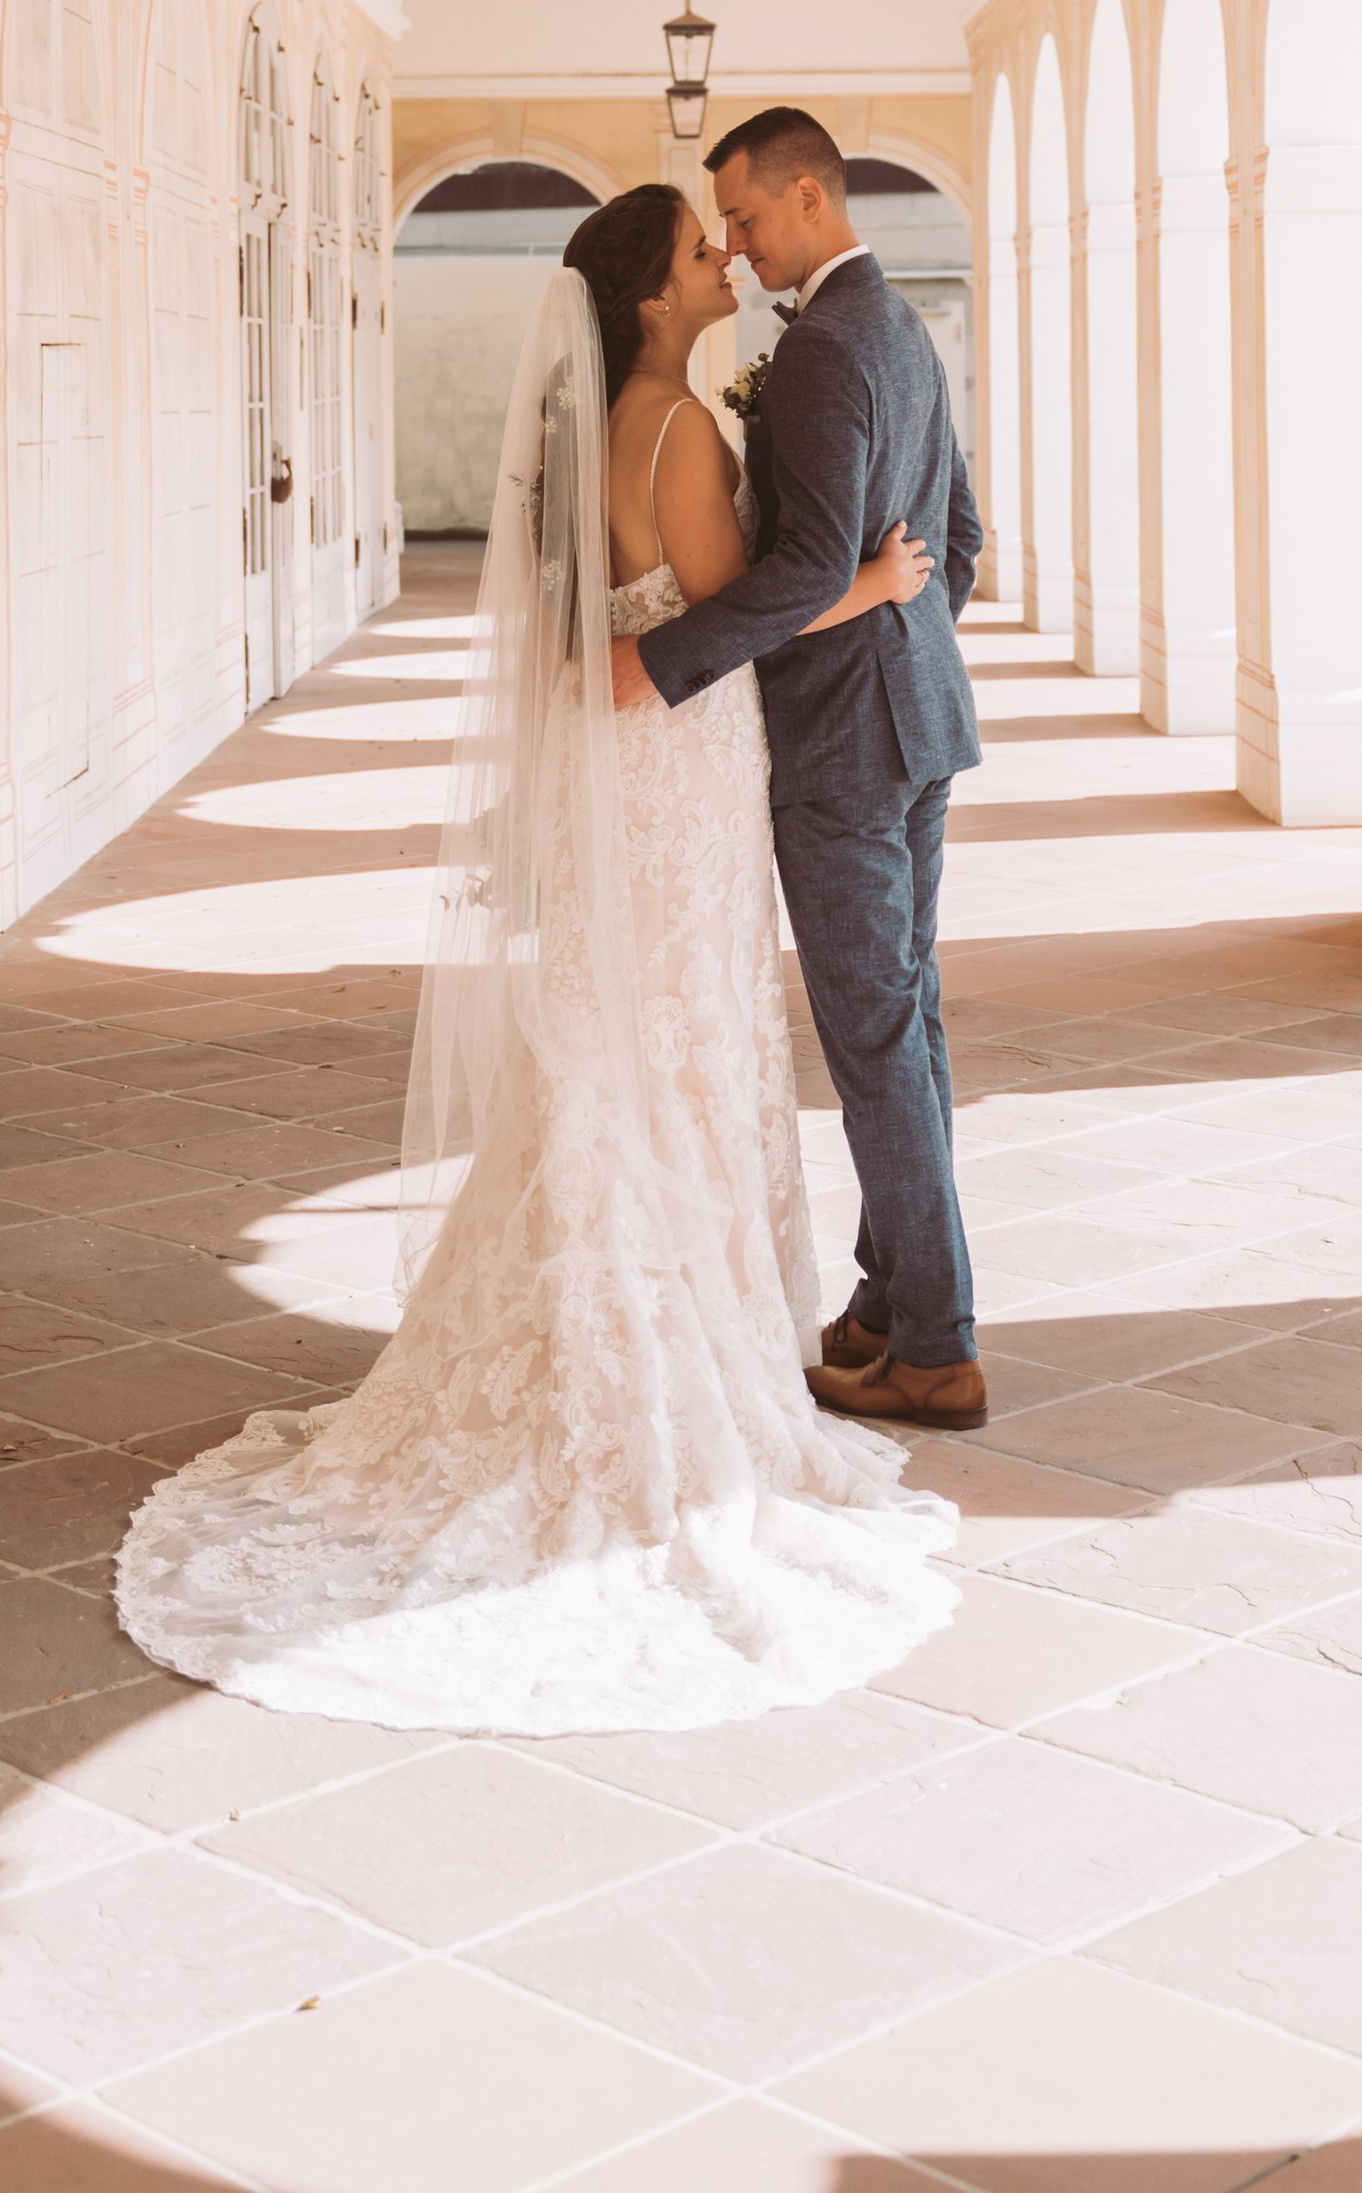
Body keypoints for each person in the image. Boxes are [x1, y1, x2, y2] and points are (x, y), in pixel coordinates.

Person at [113, 185, 957, 1733]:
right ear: (648, 297)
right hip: (683, 775)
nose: (726, 260)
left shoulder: (607, 429)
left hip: (625, 779)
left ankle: (589, 1290)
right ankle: (658, 1341)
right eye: (702, 253)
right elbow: (731, 622)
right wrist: (873, 585)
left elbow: (628, 629)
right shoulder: (679, 430)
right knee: (684, 1024)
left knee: (617, 1024)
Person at [612, 108, 988, 1438]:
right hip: (921, 715)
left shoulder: (828, 350)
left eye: (751, 219)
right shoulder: (901, 329)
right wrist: (911, 634)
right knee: (910, 1017)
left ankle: (936, 1345)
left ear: (810, 196)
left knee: (877, 1032)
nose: (739, 245)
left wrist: (662, 662)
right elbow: (961, 536)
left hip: (844, 744)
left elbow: (808, 570)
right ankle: (893, 1301)